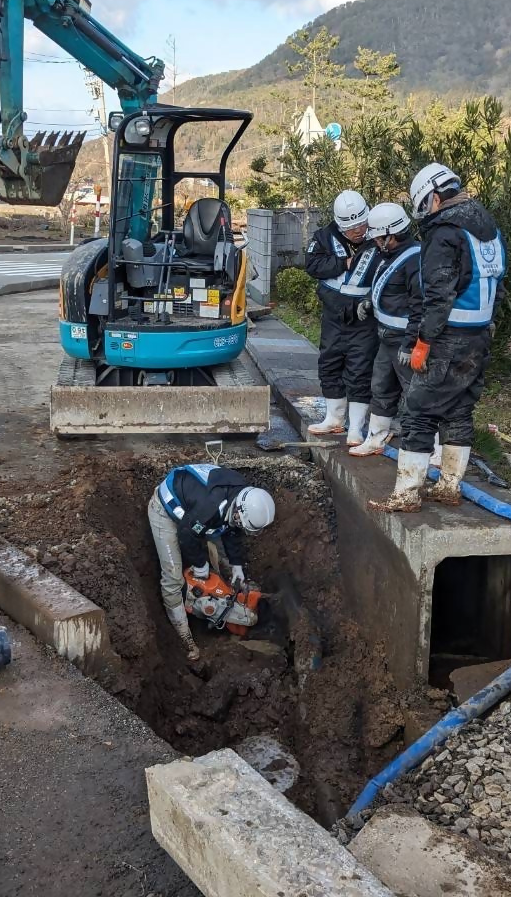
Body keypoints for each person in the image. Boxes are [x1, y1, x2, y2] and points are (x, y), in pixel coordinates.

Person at [369, 164, 506, 512]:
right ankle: (449, 486)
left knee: (417, 411)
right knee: (459, 410)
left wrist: (423, 341)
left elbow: (438, 294)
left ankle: (407, 493)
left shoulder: (446, 232)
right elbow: (497, 285)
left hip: (447, 336)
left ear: (432, 198)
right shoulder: (488, 229)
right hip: (479, 336)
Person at [147, 462, 276, 661]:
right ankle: (184, 635)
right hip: (166, 510)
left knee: (224, 557)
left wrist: (237, 566)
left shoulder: (242, 494)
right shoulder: (211, 508)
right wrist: (200, 565)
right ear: (238, 512)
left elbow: (232, 530)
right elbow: (186, 534)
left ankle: (231, 593)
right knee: (173, 576)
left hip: (196, 510)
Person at [305, 189, 379, 446]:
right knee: (329, 363)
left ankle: (356, 427)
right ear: (339, 225)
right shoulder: (324, 237)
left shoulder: (378, 238)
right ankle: (334, 418)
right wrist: (344, 263)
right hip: (334, 315)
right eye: (352, 229)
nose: (358, 232)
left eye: (361, 226)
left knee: (360, 369)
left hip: (364, 318)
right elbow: (312, 266)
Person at [349, 202, 421, 457]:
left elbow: (420, 305)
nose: (377, 241)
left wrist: (411, 343)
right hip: (386, 337)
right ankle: (376, 438)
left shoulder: (415, 260)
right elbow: (384, 286)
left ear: (392, 234)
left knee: (416, 395)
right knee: (380, 387)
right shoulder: (390, 257)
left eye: (379, 237)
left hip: (403, 341)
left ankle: (426, 448)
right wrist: (369, 300)